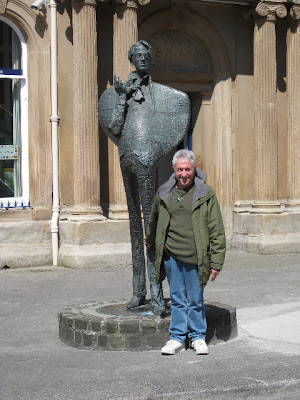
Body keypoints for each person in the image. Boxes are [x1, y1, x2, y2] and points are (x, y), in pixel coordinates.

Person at [100, 40, 190, 315]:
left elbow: (170, 122)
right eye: (137, 56)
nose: (142, 59)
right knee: (134, 226)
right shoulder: (120, 92)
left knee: (151, 226)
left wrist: (156, 149)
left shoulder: (160, 94)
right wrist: (123, 97)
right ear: (131, 59)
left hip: (146, 157)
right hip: (126, 156)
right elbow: (114, 127)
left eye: (146, 56)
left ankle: (156, 291)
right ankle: (138, 290)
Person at [145, 149, 226, 355]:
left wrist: (216, 263)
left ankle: (198, 337)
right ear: (174, 170)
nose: (184, 174)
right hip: (172, 255)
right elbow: (154, 220)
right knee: (177, 299)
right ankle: (177, 338)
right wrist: (151, 240)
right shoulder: (164, 192)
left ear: (194, 169)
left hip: (196, 256)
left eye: (187, 169)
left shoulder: (206, 194)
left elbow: (217, 230)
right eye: (180, 169)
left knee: (196, 299)